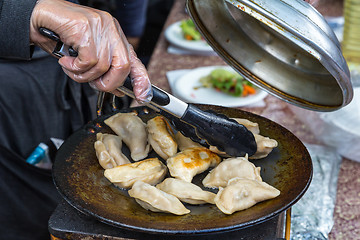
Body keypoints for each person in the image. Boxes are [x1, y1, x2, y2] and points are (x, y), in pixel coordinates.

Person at [0, 0, 152, 239]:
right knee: (29, 199)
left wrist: (127, 30)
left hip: (79, 53)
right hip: (13, 80)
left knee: (83, 166)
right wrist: (21, 13)